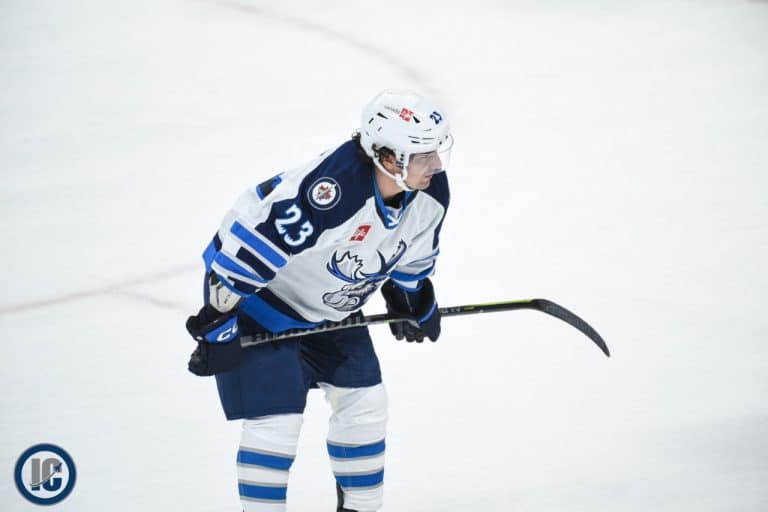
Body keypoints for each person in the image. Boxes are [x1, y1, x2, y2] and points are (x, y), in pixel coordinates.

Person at [185, 89, 452, 512]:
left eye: (436, 151)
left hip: (331, 306)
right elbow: (246, 252)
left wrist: (412, 298)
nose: (436, 164)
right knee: (277, 419)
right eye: (423, 156)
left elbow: (411, 252)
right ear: (387, 158)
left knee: (365, 403)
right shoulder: (331, 192)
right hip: (259, 300)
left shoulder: (431, 193)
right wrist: (218, 323)